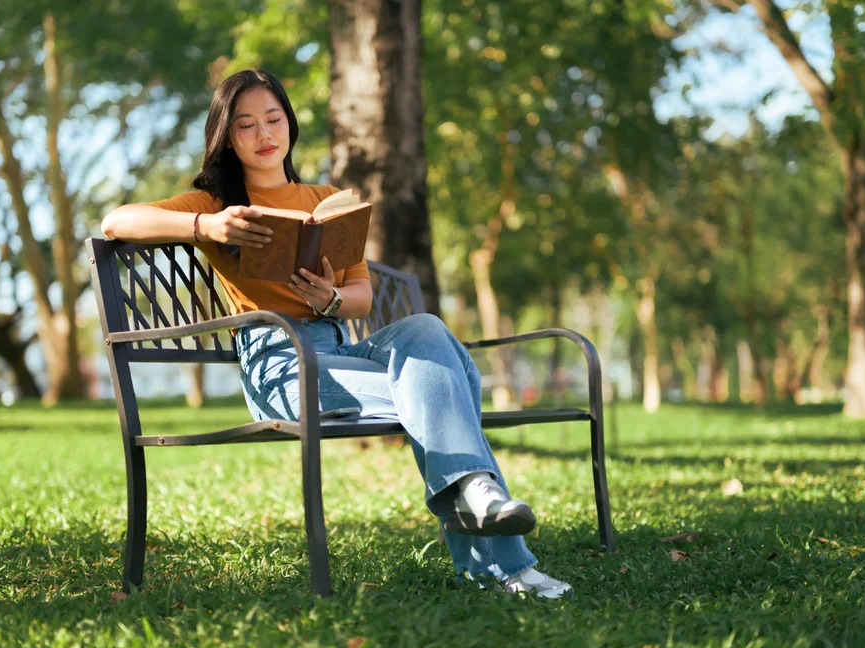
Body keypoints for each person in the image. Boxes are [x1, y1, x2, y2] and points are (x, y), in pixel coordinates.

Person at [101, 69, 572, 600]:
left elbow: (362, 298)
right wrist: (205, 229)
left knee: (426, 329)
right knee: (450, 378)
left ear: (291, 124)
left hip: (339, 346)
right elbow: (117, 221)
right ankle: (498, 547)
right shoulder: (214, 205)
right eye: (246, 125)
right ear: (226, 138)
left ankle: (474, 500)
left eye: (273, 119)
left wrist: (326, 297)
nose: (263, 135)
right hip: (281, 365)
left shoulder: (327, 198)